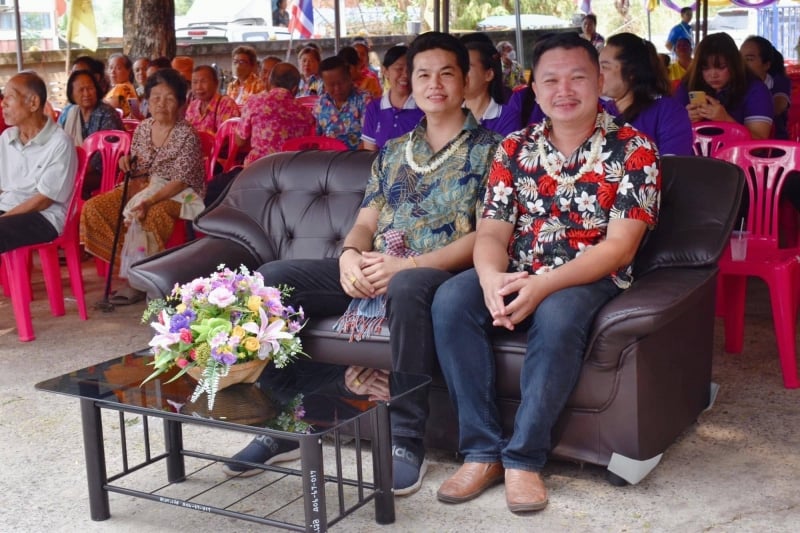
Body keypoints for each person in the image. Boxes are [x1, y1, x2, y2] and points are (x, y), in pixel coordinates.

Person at [223, 32, 502, 496]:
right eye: (423, 75)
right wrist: (350, 255)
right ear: (407, 81)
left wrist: (407, 266)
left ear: (466, 79)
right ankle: (287, 418)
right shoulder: (393, 151)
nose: (434, 85)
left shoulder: (494, 150)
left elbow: (488, 235)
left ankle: (405, 438)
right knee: (273, 281)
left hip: (439, 274)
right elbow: (366, 221)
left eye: (446, 74)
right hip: (377, 265)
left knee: (407, 288)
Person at [432, 32, 660, 513]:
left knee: (557, 315)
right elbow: (491, 232)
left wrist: (543, 285)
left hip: (589, 273)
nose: (564, 90)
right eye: (551, 80)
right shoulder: (514, 148)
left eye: (578, 78)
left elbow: (620, 247)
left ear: (600, 82)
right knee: (451, 300)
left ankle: (524, 459)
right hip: (519, 267)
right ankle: (482, 452)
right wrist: (491, 280)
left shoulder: (635, 149)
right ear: (533, 89)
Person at [80, 69, 206, 305]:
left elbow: (180, 181)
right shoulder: (143, 128)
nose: (161, 104)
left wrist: (148, 201)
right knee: (95, 208)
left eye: (169, 98)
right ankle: (136, 270)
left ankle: (140, 281)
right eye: (155, 98)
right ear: (147, 101)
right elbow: (138, 168)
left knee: (150, 215)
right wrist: (125, 162)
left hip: (180, 194)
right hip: (144, 186)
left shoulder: (187, 134)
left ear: (181, 103)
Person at [0, 72, 78, 254]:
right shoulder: (6, 137)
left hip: (44, 217)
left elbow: (44, 200)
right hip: (7, 208)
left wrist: (4, 218)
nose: (3, 104)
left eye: (10, 97)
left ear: (33, 103)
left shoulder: (60, 142)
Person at [600, 33, 692, 155]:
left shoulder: (668, 112)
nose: (597, 73)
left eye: (604, 67)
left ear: (631, 71)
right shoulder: (599, 110)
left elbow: (674, 165)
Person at [674, 32, 773, 140]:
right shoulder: (689, 84)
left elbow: (759, 142)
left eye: (721, 67)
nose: (713, 74)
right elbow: (668, 133)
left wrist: (726, 120)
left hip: (737, 151)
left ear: (734, 64)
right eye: (705, 68)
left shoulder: (755, 90)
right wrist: (684, 120)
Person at [57, 69, 125, 198]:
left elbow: (101, 158)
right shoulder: (68, 112)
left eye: (90, 88)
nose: (86, 93)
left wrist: (70, 171)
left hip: (103, 172)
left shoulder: (107, 114)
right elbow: (57, 142)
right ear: (72, 93)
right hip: (73, 169)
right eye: (81, 90)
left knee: (61, 183)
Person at [236, 62, 315, 166]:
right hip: (291, 171)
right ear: (295, 88)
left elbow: (240, 142)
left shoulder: (255, 102)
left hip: (257, 169)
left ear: (270, 81)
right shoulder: (306, 112)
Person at [361, 44, 423, 151]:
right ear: (385, 71)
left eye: (410, 70)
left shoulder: (424, 107)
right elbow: (370, 154)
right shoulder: (374, 108)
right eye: (399, 69)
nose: (405, 75)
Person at [463, 39, 520, 136]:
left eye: (466, 67)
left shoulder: (508, 117)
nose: (459, 73)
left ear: (488, 74)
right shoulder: (447, 113)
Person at [313, 56, 372, 150]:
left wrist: (352, 157)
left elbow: (370, 139)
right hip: (328, 156)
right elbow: (315, 137)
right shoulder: (321, 103)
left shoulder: (364, 100)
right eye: (331, 85)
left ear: (349, 77)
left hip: (358, 156)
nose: (337, 89)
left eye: (341, 83)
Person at [741, 36, 791, 140]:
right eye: (739, 58)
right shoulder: (735, 85)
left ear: (766, 65)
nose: (742, 64)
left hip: (776, 143)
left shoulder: (778, 81)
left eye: (749, 59)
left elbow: (778, 107)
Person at [185, 65, 240, 136]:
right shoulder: (192, 106)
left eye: (203, 81)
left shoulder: (226, 104)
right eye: (195, 82)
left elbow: (228, 137)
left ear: (216, 83)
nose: (198, 87)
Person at [104, 53, 138, 118]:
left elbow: (105, 110)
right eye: (110, 68)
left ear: (128, 70)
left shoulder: (121, 88)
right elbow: (136, 113)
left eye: (118, 68)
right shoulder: (129, 87)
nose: (112, 72)